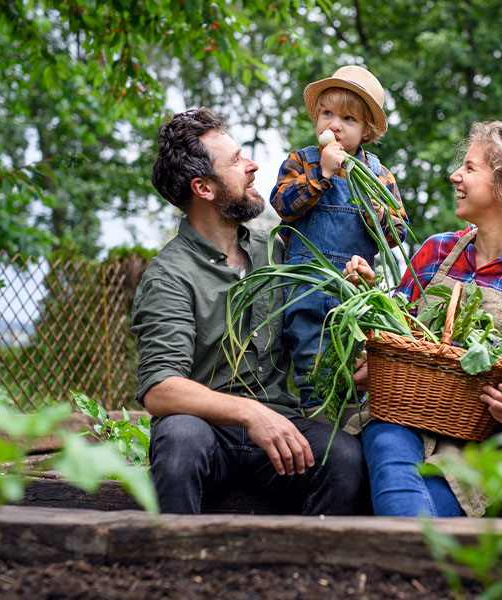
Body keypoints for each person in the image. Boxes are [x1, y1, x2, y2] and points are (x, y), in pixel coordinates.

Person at [133, 108, 367, 515]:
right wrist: (249, 413)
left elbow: (316, 326)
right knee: (180, 438)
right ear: (204, 188)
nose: (253, 165)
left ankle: (306, 557)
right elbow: (160, 389)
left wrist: (353, 291)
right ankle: (176, 554)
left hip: (279, 433)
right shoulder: (168, 275)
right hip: (209, 433)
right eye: (237, 161)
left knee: (344, 457)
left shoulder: (278, 252)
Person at [346, 119, 502, 517]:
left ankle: (403, 553)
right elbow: (395, 331)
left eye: (470, 168)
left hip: (487, 441)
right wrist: (371, 306)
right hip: (406, 415)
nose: (455, 175)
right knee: (389, 452)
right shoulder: (435, 252)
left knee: (416, 506)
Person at [270, 65, 407, 413]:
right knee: (314, 367)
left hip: (354, 291)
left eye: (348, 119)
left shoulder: (379, 175)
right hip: (306, 287)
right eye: (327, 114)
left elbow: (398, 232)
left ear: (366, 131)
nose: (335, 125)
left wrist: (378, 214)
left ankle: (351, 420)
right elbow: (282, 204)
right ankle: (318, 418)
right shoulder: (302, 161)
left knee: (353, 365)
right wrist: (322, 173)